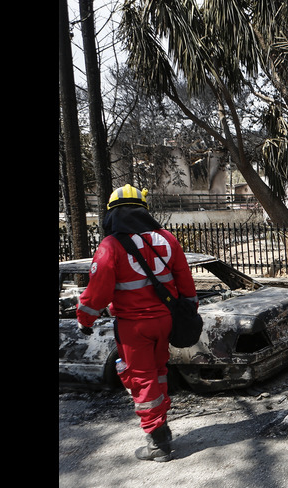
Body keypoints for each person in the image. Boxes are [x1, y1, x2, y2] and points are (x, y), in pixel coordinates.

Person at [76, 184, 197, 463]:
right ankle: (162, 425)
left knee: (141, 377)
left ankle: (157, 442)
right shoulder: (167, 239)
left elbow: (97, 292)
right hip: (165, 321)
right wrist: (190, 309)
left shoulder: (110, 246)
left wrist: (85, 320)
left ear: (112, 213)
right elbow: (185, 279)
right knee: (159, 372)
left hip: (134, 327)